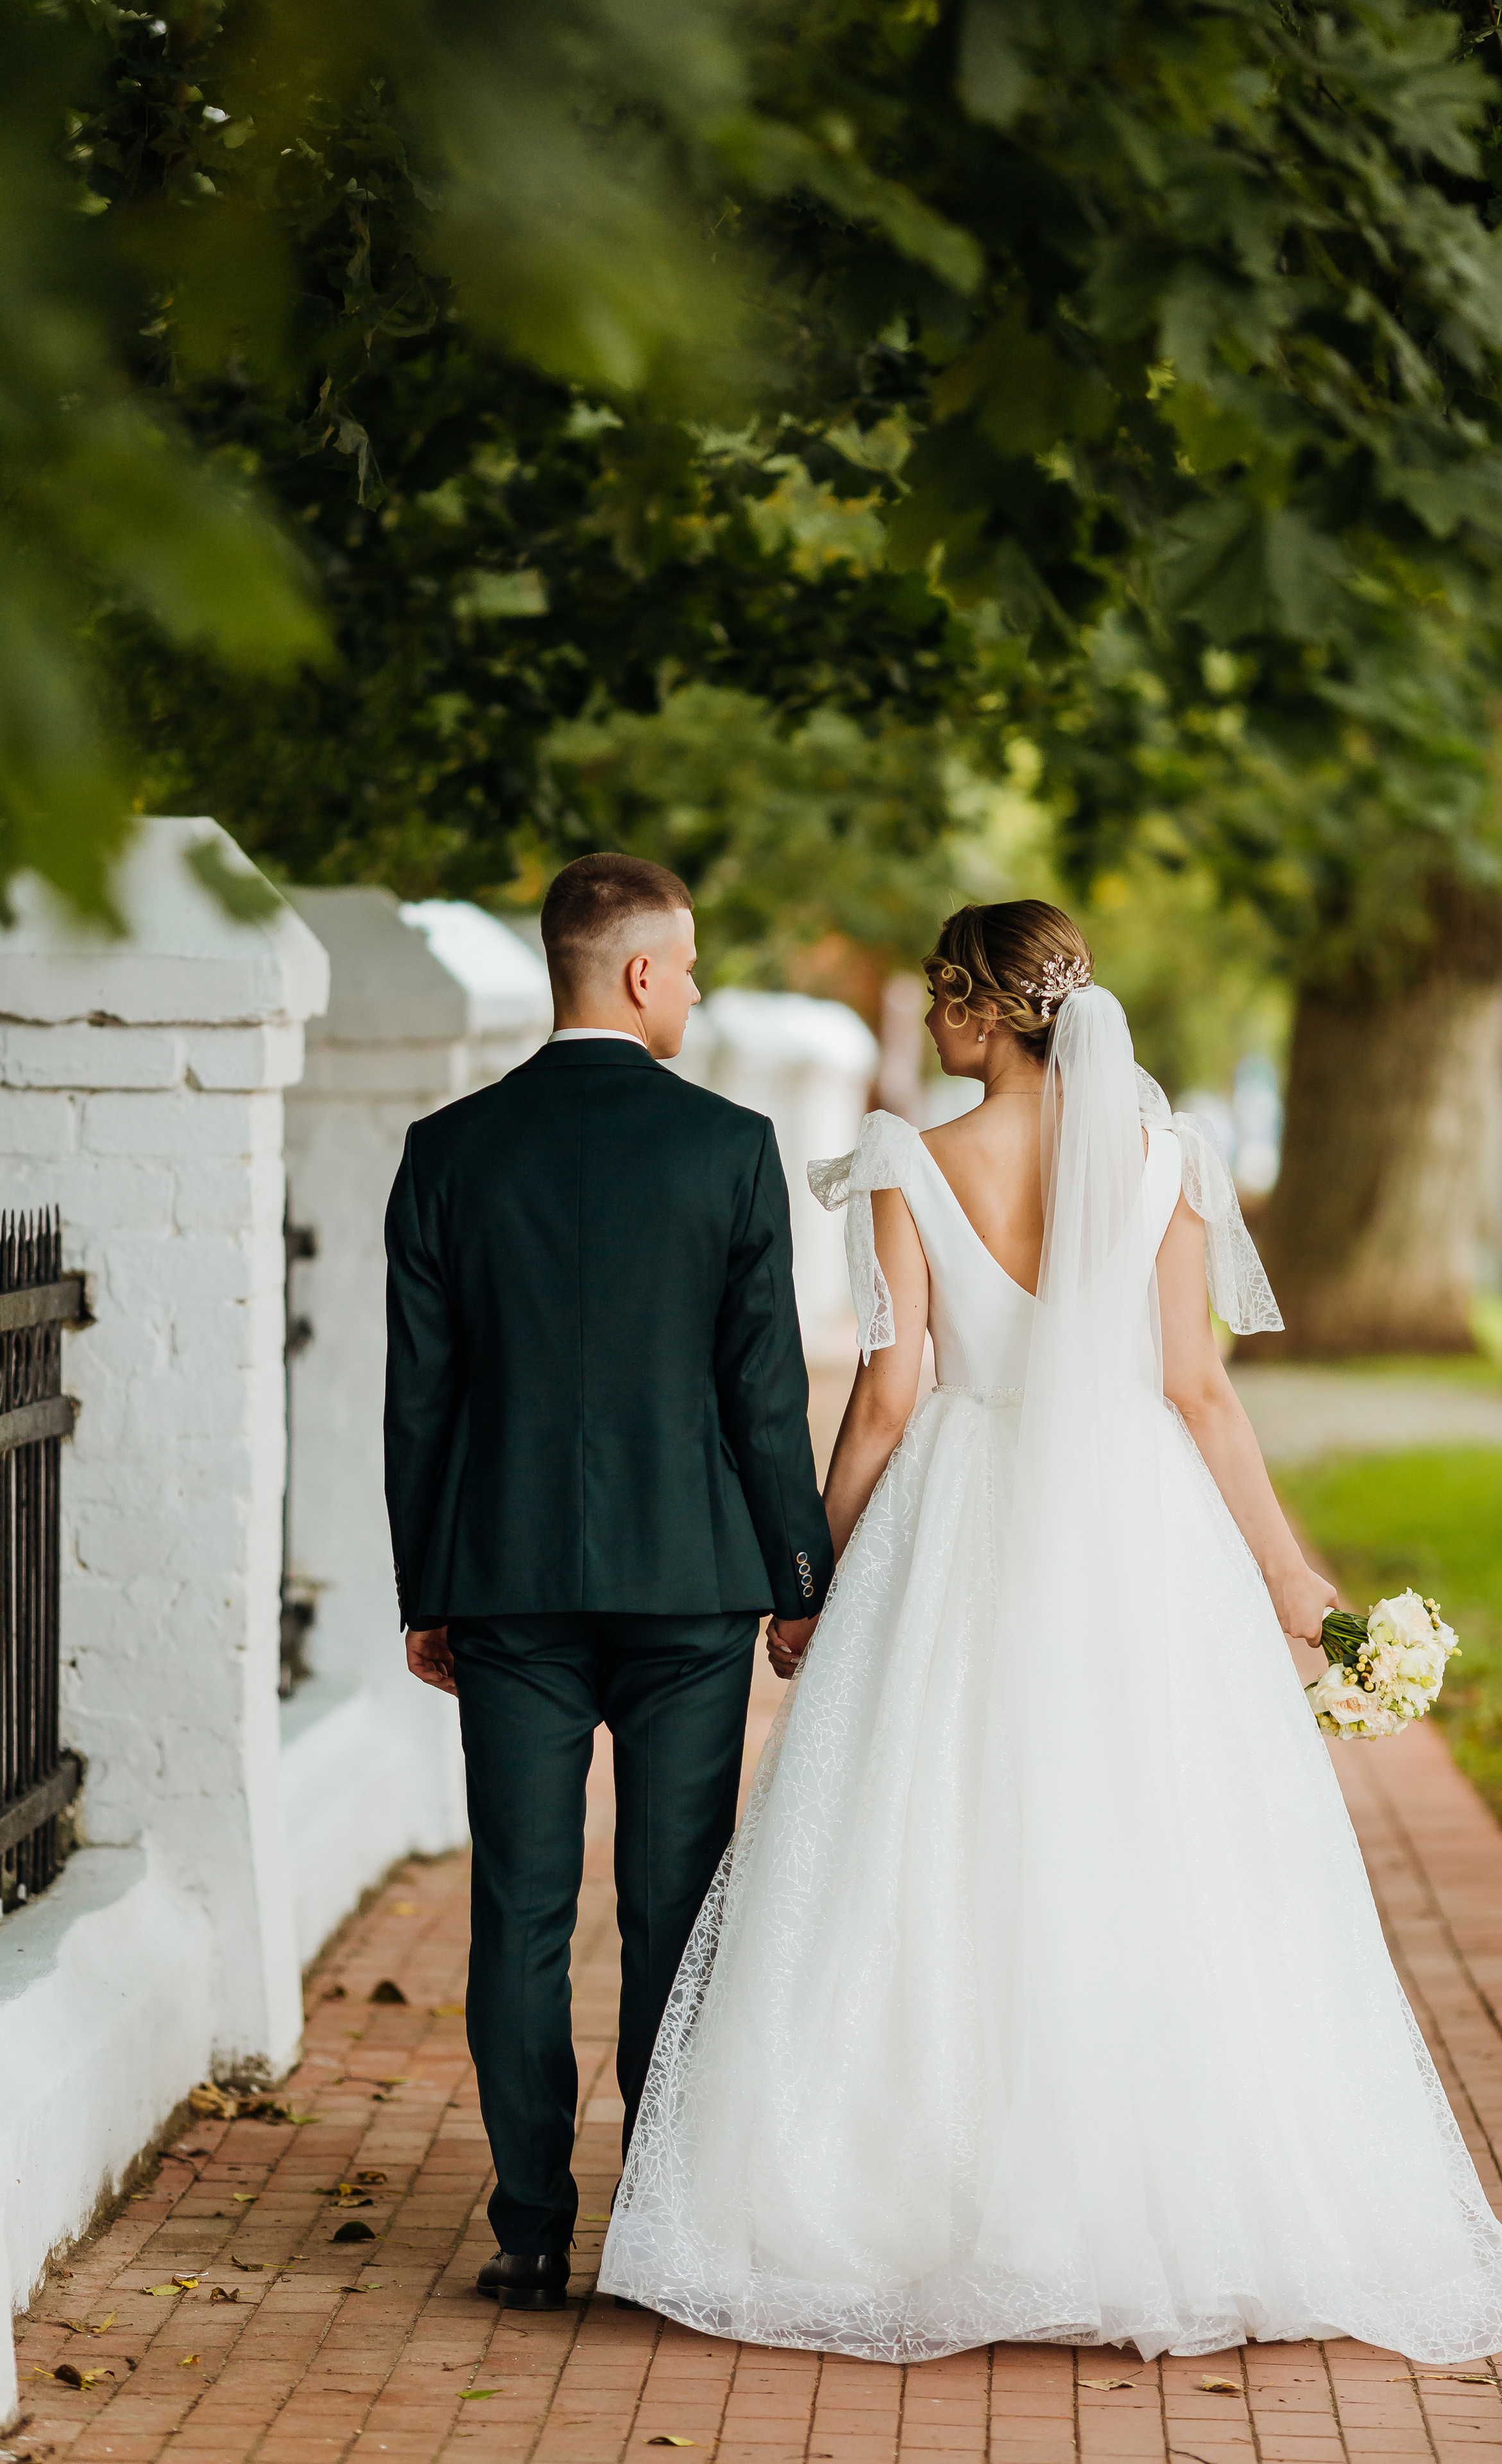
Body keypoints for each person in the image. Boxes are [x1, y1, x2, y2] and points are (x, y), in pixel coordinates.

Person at [601, 897, 1502, 2365]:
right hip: (1136, 1528)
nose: (932, 1015)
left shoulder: (909, 1163)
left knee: (935, 1832)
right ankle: (1155, 2201)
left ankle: (917, 2195)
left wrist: (811, 1574)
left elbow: (886, 1404)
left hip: (956, 1523)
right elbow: (1197, 1394)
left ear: (985, 1014)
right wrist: (1287, 1578)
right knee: (1144, 1832)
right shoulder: (1163, 1160)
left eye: (940, 993)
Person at [384, 852, 833, 2313]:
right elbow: (763, 1396)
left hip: (506, 1583)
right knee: (672, 1907)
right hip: (688, 1585)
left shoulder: (448, 1151)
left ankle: (529, 2231)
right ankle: (651, 2225)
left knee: (517, 1911)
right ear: (640, 974)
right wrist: (798, 1575)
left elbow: (420, 1401)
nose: (694, 989)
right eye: (688, 966)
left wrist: (427, 1588)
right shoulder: (729, 1148)